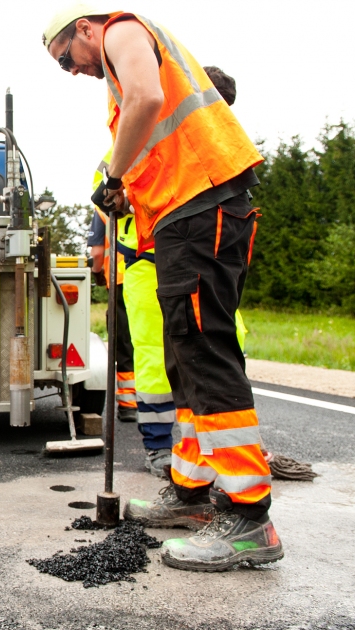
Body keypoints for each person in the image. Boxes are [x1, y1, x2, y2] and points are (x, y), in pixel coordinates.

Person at [42, 5, 282, 571]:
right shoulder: (116, 73)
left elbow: (149, 100)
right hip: (181, 215)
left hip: (203, 205)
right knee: (183, 362)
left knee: (204, 354)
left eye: (65, 59)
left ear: (85, 28)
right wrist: (132, 192)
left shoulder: (122, 31)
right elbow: (152, 133)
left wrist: (115, 177)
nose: (71, 71)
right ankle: (192, 494)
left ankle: (251, 518)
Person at [91, 151, 175, 476]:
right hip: (145, 260)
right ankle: (162, 447)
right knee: (151, 354)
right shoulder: (124, 147)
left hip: (146, 265)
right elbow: (104, 195)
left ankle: (199, 450)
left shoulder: (194, 130)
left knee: (143, 351)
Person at [87, 195, 138, 424]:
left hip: (120, 280)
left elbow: (97, 253)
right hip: (157, 276)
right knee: (155, 342)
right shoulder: (154, 195)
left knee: (124, 343)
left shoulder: (102, 208)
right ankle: (161, 401)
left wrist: (97, 272)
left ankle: (129, 404)